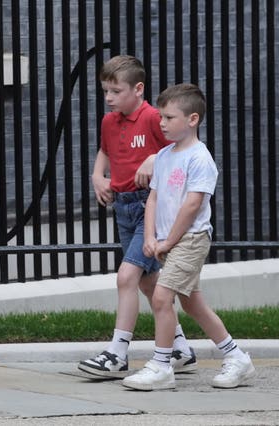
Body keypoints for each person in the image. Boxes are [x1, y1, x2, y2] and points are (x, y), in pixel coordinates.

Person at [122, 83, 255, 390]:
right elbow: (153, 198)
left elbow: (193, 204)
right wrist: (152, 236)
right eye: (161, 117)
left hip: (190, 239)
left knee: (161, 297)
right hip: (168, 241)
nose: (161, 123)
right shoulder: (165, 155)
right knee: (193, 303)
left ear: (192, 119)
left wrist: (169, 241)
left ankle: (161, 365)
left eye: (169, 118)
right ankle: (237, 358)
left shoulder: (199, 158)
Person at [79, 55, 196, 378]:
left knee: (126, 277)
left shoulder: (153, 118)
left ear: (139, 88)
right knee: (147, 282)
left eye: (116, 91)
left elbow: (180, 148)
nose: (109, 97)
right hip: (123, 206)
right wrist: (98, 176)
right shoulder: (109, 121)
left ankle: (117, 353)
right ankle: (181, 349)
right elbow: (104, 151)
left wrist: (154, 159)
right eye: (105, 90)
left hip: (149, 208)